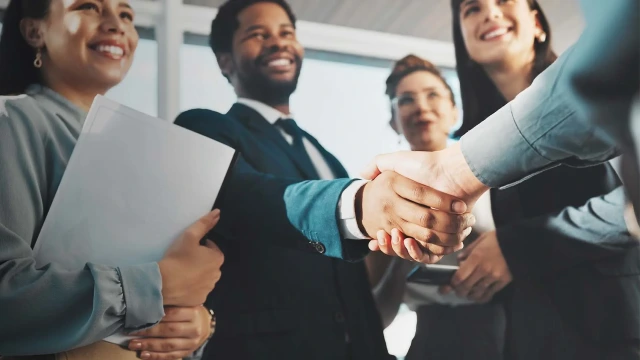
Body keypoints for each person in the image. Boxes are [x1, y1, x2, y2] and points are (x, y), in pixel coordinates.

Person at [173, 1, 475, 359]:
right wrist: (360, 205)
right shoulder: (204, 128)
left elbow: (352, 278)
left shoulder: (325, 156)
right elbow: (249, 197)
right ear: (225, 60)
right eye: (258, 33)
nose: (278, 42)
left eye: (287, 33)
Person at [0, 0, 224, 358]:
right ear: (34, 31)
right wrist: (158, 285)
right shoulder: (12, 120)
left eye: (126, 14)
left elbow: (169, 293)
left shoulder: (145, 153)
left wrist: (195, 324)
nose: (116, 24)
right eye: (88, 6)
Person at [366, 54, 505, 360]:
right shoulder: (381, 199)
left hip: (514, 329)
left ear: (454, 110)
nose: (421, 106)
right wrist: (400, 263)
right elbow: (376, 317)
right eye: (406, 100)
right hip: (433, 341)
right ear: (393, 120)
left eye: (432, 94)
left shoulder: (496, 172)